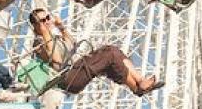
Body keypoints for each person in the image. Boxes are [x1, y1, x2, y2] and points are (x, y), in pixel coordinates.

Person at [29, 8, 164, 97]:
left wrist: (61, 28)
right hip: (69, 78)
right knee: (110, 54)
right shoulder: (39, 43)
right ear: (35, 25)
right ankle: (138, 85)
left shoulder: (54, 38)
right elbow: (57, 61)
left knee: (112, 52)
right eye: (42, 21)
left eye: (47, 17)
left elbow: (73, 45)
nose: (46, 22)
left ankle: (138, 85)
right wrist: (46, 34)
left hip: (76, 70)